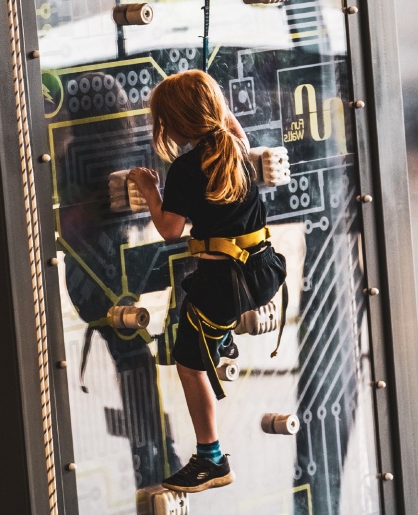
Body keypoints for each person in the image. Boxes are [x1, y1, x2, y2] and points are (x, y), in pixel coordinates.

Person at [127, 70, 286, 493]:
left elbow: (169, 229)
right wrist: (207, 91)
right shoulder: (236, 147)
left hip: (223, 286)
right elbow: (229, 122)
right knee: (201, 315)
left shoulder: (184, 169)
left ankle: (210, 458)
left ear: (175, 124)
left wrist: (148, 188)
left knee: (189, 366)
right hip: (263, 271)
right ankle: (222, 337)